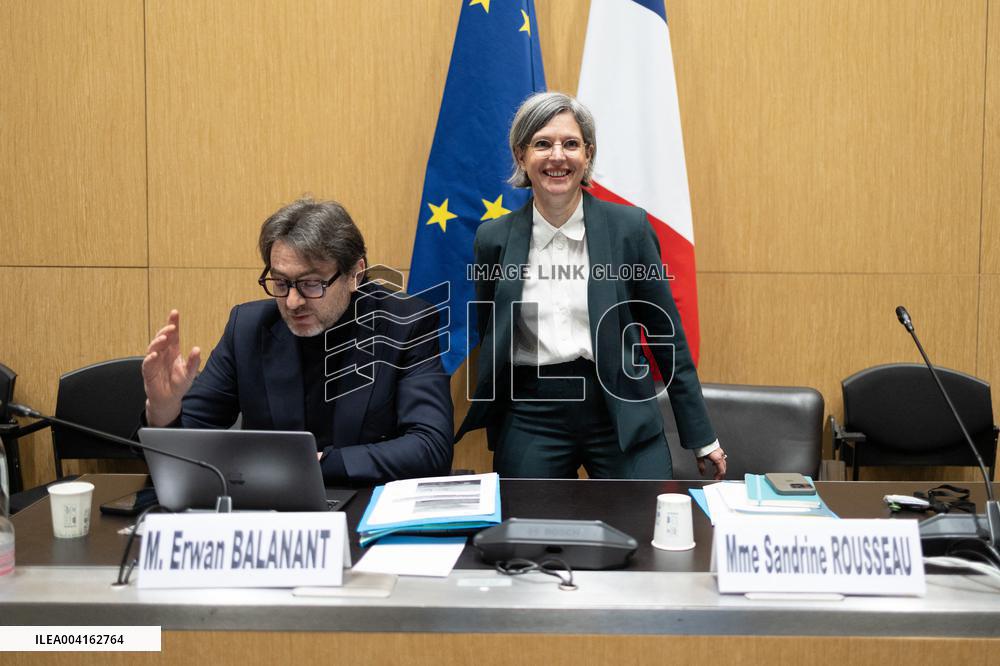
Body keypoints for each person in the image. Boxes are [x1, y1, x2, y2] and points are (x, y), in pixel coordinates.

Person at [457, 92, 726, 480]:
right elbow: (490, 330)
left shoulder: (628, 228)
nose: (557, 157)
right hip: (533, 412)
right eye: (542, 144)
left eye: (571, 144)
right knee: (529, 534)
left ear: (588, 155)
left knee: (645, 524)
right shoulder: (493, 239)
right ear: (521, 156)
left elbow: (666, 336)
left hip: (618, 406)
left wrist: (701, 437)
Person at [142, 197, 454, 484]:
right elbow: (187, 447)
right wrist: (163, 412)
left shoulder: (405, 324)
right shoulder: (248, 328)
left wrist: (315, 463)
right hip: (270, 512)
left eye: (310, 284)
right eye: (280, 282)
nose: (292, 302)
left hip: (363, 508)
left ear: (355, 274)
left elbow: (430, 447)